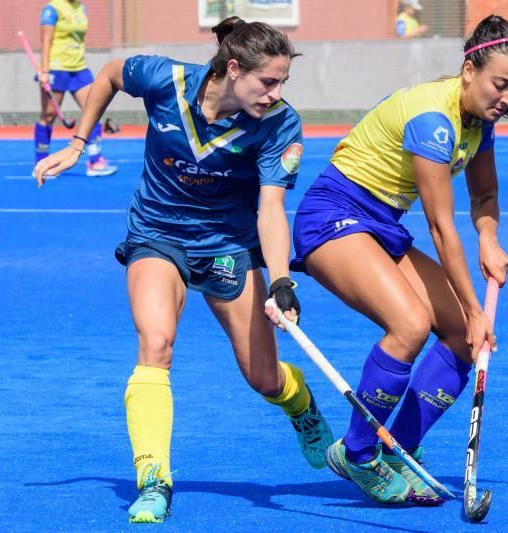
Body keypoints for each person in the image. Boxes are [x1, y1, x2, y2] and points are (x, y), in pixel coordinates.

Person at [34, 16, 333, 524]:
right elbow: (107, 75)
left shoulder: (280, 123)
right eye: (269, 81)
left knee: (263, 378)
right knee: (156, 343)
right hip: (157, 233)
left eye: (283, 82)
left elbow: (270, 209)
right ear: (233, 69)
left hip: (227, 246)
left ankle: (300, 405)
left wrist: (281, 280)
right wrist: (78, 143)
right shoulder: (164, 79)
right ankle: (154, 480)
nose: (276, 93)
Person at [291, 15, 508, 505]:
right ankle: (356, 454)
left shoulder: (479, 124)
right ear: (469, 70)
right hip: (333, 215)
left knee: (464, 339)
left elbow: (483, 196)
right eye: (499, 84)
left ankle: (400, 453)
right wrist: (475, 307)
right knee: (412, 324)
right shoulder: (432, 120)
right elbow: (442, 228)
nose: (507, 98)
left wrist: (490, 238)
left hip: (381, 227)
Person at [34, 0, 117, 177]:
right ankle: (41, 164)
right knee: (48, 116)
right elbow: (45, 41)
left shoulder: (81, 8)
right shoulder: (52, 9)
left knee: (93, 109)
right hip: (56, 68)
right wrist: (44, 71)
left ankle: (95, 161)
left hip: (78, 68)